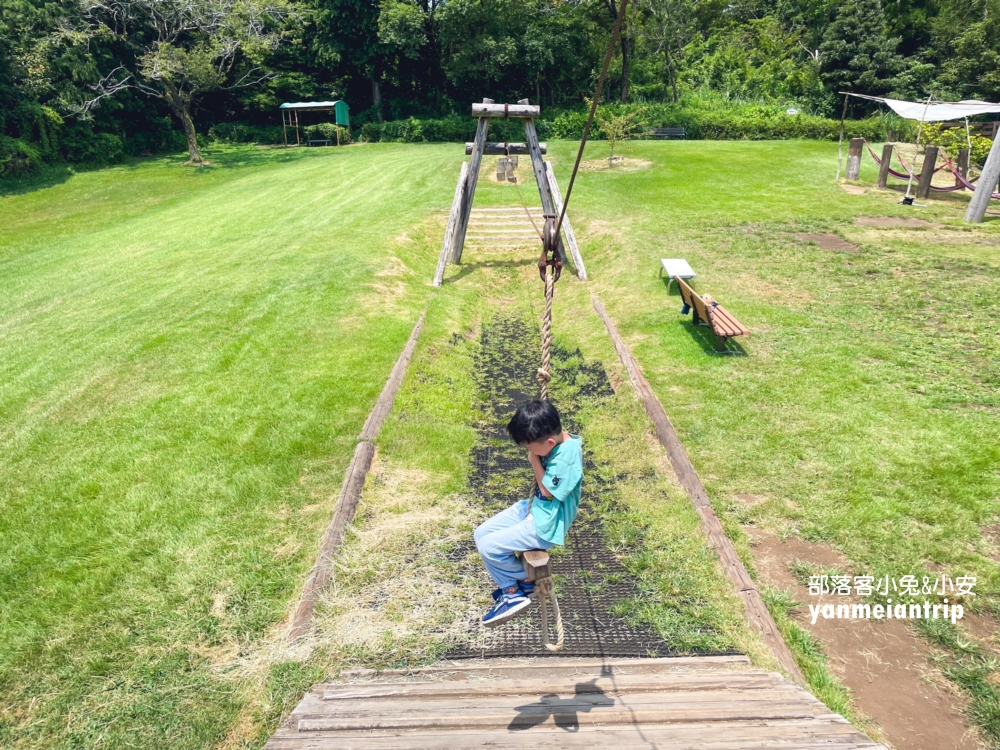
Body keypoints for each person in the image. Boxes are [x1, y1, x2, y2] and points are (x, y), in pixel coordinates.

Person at [474, 399, 584, 628]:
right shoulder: (555, 440)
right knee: (481, 534)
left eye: (529, 446)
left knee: (489, 547)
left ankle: (512, 593)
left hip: (547, 523)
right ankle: (524, 581)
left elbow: (547, 491)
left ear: (550, 442)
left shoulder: (567, 457)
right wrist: (536, 450)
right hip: (533, 508)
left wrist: (534, 459)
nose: (528, 451)